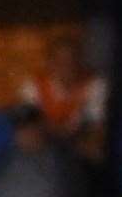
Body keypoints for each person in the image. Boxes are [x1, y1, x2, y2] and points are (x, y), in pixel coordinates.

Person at [19, 34, 107, 168]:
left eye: (71, 60)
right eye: (59, 61)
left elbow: (98, 126)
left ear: (80, 62)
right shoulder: (33, 87)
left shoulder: (95, 84)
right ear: (50, 63)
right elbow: (29, 127)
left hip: (80, 147)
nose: (66, 66)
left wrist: (88, 142)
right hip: (46, 146)